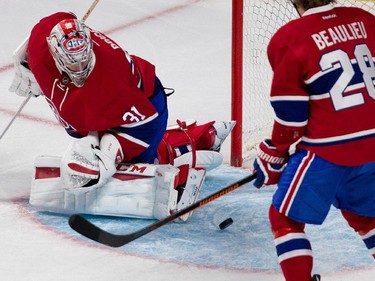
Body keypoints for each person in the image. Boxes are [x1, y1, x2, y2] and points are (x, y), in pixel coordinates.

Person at [9, 12, 235, 221]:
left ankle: (189, 146)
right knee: (94, 153)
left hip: (145, 109)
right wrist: (29, 67)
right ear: (54, 50)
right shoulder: (42, 42)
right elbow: (58, 20)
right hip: (109, 105)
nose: (80, 68)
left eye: (84, 60)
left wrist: (107, 155)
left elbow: (145, 123)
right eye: (72, 61)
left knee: (108, 162)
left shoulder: (113, 76)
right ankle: (195, 139)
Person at [253, 1, 375, 280]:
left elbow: (292, 116)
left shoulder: (289, 37)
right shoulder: (366, 19)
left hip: (328, 150)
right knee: (367, 217)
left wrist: (275, 153)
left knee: (284, 218)